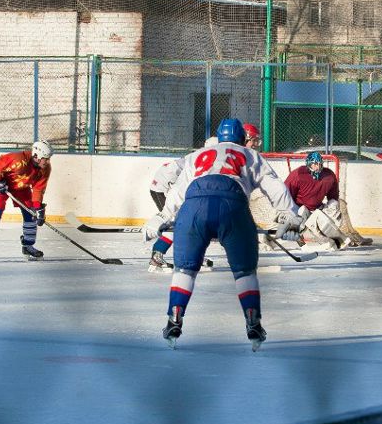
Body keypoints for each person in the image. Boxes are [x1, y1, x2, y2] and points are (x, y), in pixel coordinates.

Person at [143, 118, 302, 351]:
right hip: (233, 206)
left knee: (185, 269)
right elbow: (274, 186)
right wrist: (289, 214)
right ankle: (253, 323)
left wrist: (163, 217)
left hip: (194, 207)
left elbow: (178, 190)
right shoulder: (250, 155)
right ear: (242, 138)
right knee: (244, 270)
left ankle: (174, 319)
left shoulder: (199, 154)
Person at [147, 136, 218, 273]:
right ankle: (157, 256)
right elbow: (179, 186)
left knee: (188, 224)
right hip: (162, 190)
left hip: (164, 189)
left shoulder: (199, 157)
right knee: (176, 223)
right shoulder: (201, 160)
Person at [0, 141, 52, 262]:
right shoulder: (17, 159)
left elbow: (38, 189)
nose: (48, 161)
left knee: (31, 213)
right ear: (36, 157)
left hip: (20, 187)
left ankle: (28, 246)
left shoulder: (45, 168)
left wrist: (38, 207)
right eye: (46, 159)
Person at [284, 151, 346, 250]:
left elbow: (333, 197)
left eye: (319, 164)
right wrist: (291, 214)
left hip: (316, 209)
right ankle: (298, 242)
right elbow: (286, 196)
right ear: (308, 164)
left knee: (333, 206)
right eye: (314, 164)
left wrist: (332, 208)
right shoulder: (298, 174)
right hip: (299, 208)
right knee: (296, 219)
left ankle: (333, 239)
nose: (317, 167)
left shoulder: (329, 176)